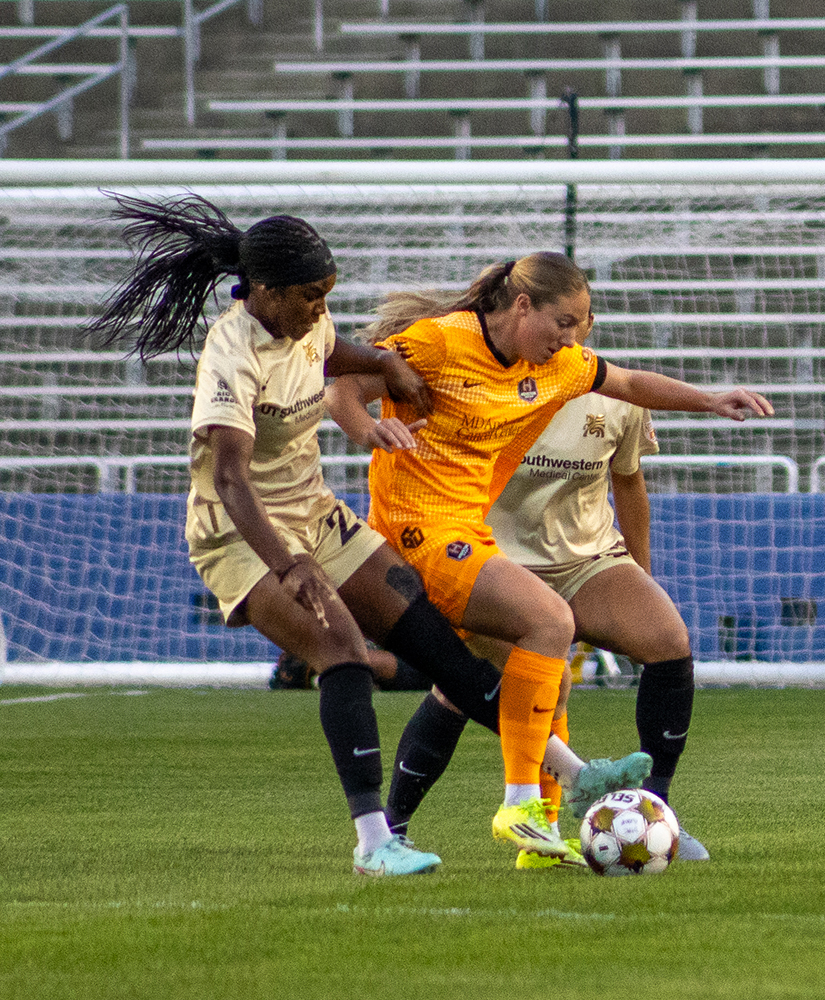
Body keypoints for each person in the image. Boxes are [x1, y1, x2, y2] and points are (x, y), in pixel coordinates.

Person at [87, 192, 525, 876]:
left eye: (327, 294)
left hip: (315, 512)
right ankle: (375, 843)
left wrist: (383, 363)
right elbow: (230, 481)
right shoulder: (231, 355)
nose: (320, 307)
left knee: (435, 640)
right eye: (308, 296)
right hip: (241, 532)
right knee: (342, 651)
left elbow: (330, 349)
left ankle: (570, 773)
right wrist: (288, 568)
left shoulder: (307, 322)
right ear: (264, 291)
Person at [330, 253, 771, 863]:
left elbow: (633, 385)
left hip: (497, 539)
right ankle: (493, 810)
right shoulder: (438, 341)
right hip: (417, 532)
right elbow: (345, 386)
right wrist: (367, 430)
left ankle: (582, 820)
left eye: (581, 325)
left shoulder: (562, 370)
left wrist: (712, 400)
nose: (571, 338)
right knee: (520, 648)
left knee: (593, 659)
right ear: (521, 305)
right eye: (563, 322)